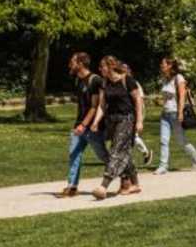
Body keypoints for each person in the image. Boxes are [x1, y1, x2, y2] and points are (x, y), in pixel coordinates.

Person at [91, 56, 143, 200]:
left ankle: (104, 185)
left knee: (116, 151)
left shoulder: (127, 80)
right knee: (124, 152)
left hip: (127, 119)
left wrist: (139, 121)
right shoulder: (105, 83)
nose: (100, 69)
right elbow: (102, 105)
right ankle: (135, 184)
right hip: (112, 121)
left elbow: (138, 100)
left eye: (102, 66)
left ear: (110, 66)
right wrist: (95, 122)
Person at [60, 52, 110, 198]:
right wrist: (79, 125)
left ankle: (127, 174)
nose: (70, 65)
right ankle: (72, 186)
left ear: (80, 64)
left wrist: (83, 125)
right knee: (74, 153)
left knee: (103, 156)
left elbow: (95, 106)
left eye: (73, 62)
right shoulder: (79, 80)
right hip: (80, 125)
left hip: (92, 127)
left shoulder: (95, 80)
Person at [156, 57, 196, 174]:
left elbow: (182, 97)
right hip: (165, 114)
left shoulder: (179, 78)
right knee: (163, 140)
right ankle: (163, 166)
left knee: (181, 141)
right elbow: (166, 97)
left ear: (169, 66)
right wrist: (161, 102)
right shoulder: (164, 79)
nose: (161, 65)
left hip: (175, 113)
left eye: (163, 64)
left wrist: (180, 112)